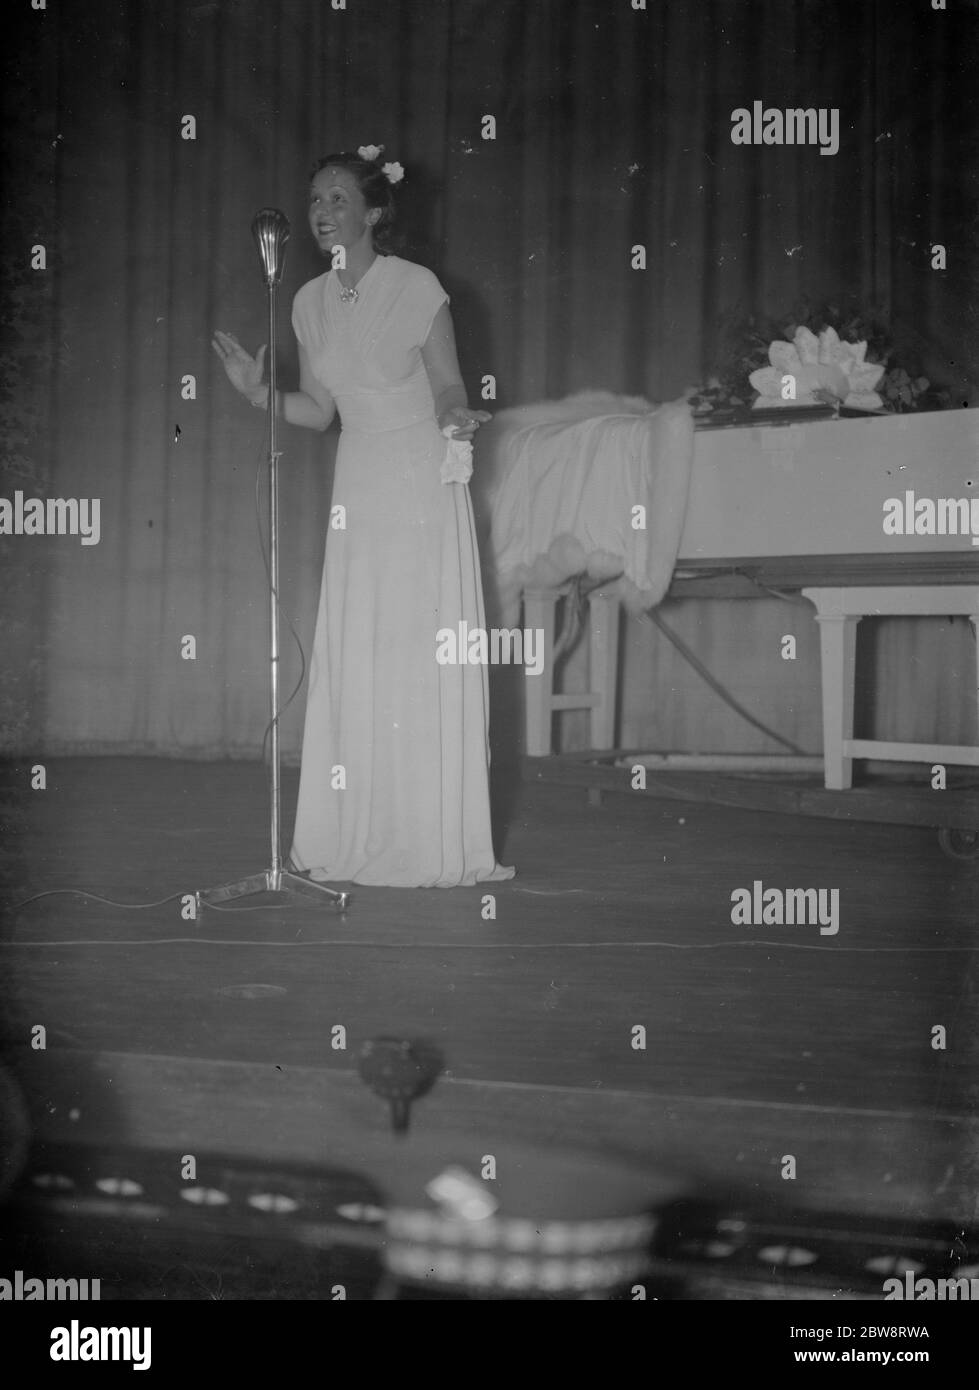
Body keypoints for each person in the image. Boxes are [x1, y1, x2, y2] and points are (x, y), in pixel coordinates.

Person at [212, 146, 514, 888]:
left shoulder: (417, 288)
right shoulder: (306, 301)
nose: (321, 212)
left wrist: (458, 417)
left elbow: (447, 385)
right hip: (360, 482)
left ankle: (426, 838)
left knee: (414, 649)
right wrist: (257, 393)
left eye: (339, 198)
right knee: (362, 649)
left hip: (418, 474)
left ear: (374, 212)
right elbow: (319, 412)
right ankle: (354, 831)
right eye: (315, 200)